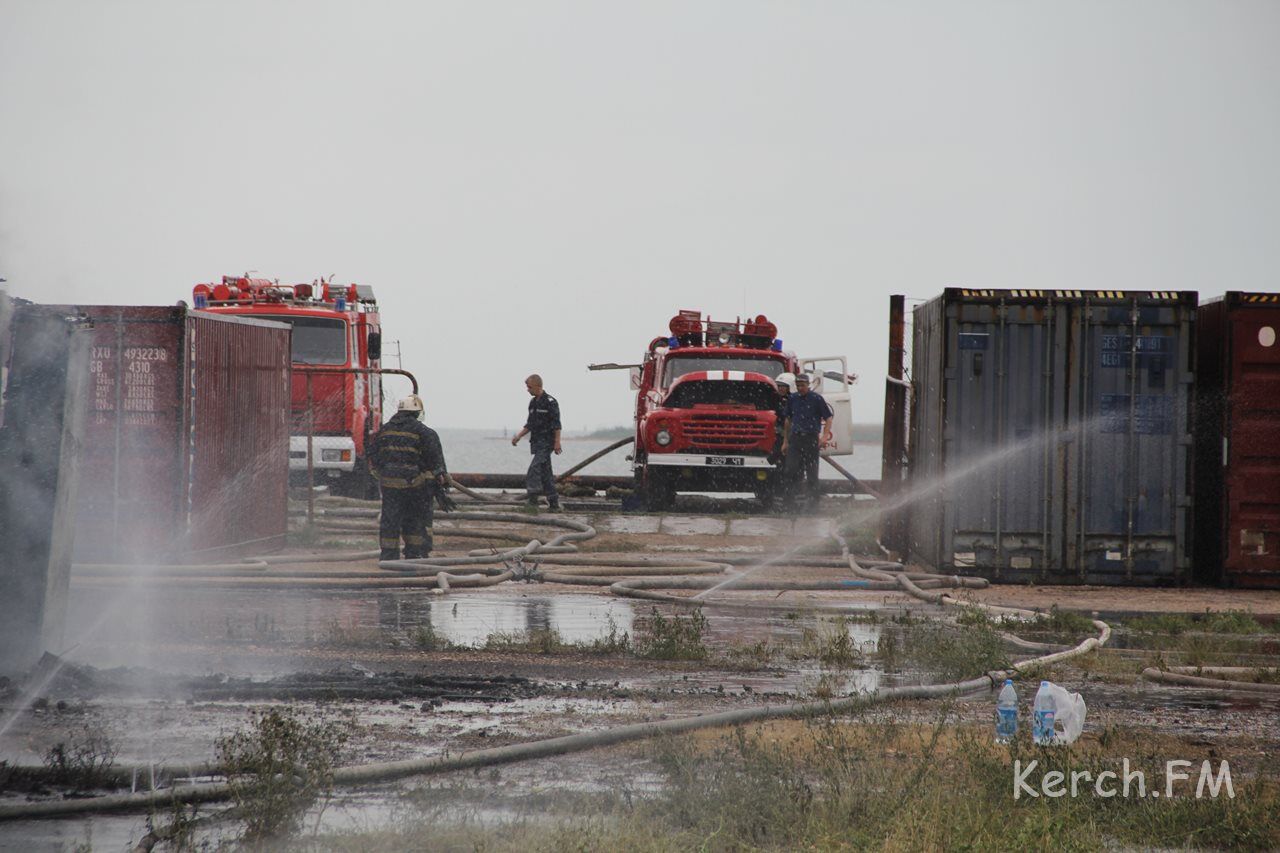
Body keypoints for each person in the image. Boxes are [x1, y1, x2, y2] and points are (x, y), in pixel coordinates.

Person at [369, 394, 448, 560]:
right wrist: (439, 476)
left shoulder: (384, 430)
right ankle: (413, 553)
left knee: (390, 519)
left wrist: (383, 473)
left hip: (389, 485)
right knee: (413, 518)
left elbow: (374, 456)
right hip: (413, 485)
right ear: (416, 413)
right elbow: (434, 459)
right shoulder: (424, 432)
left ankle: (388, 555)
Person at [781, 373, 833, 508]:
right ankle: (788, 504)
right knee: (790, 471)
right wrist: (785, 441)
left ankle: (813, 505)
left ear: (808, 385)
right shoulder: (792, 398)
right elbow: (788, 420)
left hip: (811, 439)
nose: (800, 388)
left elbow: (828, 417)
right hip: (796, 439)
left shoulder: (816, 399)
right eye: (798, 386)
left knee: (812, 473)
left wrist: (825, 435)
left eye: (802, 386)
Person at [510, 374, 562, 511]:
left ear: (538, 386)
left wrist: (557, 442)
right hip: (536, 442)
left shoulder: (551, 402)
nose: (527, 389)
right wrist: (519, 436)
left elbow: (557, 424)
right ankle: (554, 502)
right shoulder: (533, 403)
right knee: (546, 473)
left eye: (529, 387)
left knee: (534, 469)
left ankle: (533, 499)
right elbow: (530, 424)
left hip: (547, 442)